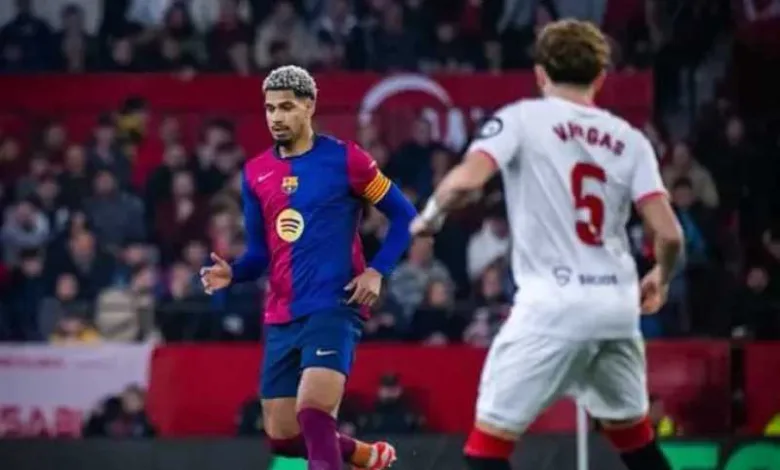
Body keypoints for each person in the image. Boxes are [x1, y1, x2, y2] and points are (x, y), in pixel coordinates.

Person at [410, 19, 683, 470]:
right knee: (635, 441)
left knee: (485, 451)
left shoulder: (521, 119)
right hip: (617, 307)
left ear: (540, 74)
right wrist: (662, 276)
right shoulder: (631, 140)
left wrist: (429, 218)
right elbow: (669, 233)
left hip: (552, 305)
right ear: (600, 77)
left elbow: (465, 182)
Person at [200, 65, 415, 470]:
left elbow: (405, 216)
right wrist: (234, 272)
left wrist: (376, 271)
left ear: (309, 106)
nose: (276, 117)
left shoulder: (348, 159)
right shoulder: (255, 173)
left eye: (286, 107)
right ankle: (365, 456)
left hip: (335, 304)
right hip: (281, 313)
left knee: (313, 411)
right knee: (283, 436)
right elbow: (260, 255)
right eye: (269, 109)